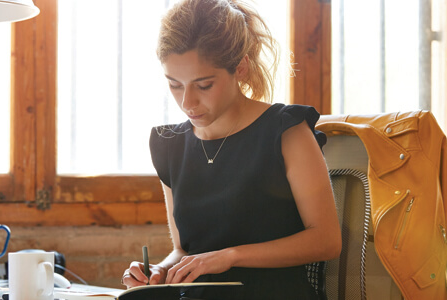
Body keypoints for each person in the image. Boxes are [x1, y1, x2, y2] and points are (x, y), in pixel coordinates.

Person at [121, 0, 341, 299]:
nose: (187, 102)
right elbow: (184, 250)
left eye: (204, 85)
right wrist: (160, 271)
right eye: (175, 84)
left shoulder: (286, 131)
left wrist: (231, 256)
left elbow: (326, 241)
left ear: (241, 68)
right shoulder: (169, 145)